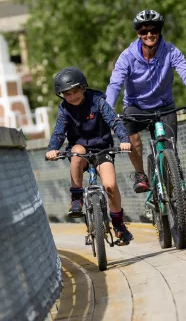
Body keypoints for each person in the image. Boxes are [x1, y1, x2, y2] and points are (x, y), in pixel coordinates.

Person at [106, 9, 186, 232]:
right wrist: (107, 109)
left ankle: (184, 209)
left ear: (159, 31)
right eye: (144, 31)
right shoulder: (127, 56)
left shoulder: (171, 51)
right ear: (138, 34)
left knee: (172, 155)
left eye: (153, 30)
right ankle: (140, 173)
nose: (149, 34)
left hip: (164, 106)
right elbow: (115, 84)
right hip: (137, 106)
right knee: (132, 137)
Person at [45, 67, 134, 244]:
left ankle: (118, 224)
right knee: (77, 151)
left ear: (84, 88)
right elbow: (58, 133)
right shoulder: (64, 110)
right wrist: (53, 148)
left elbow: (114, 121)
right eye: (67, 94)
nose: (73, 96)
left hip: (102, 149)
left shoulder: (98, 102)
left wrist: (124, 139)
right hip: (81, 152)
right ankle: (76, 197)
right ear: (62, 96)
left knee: (110, 185)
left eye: (76, 91)